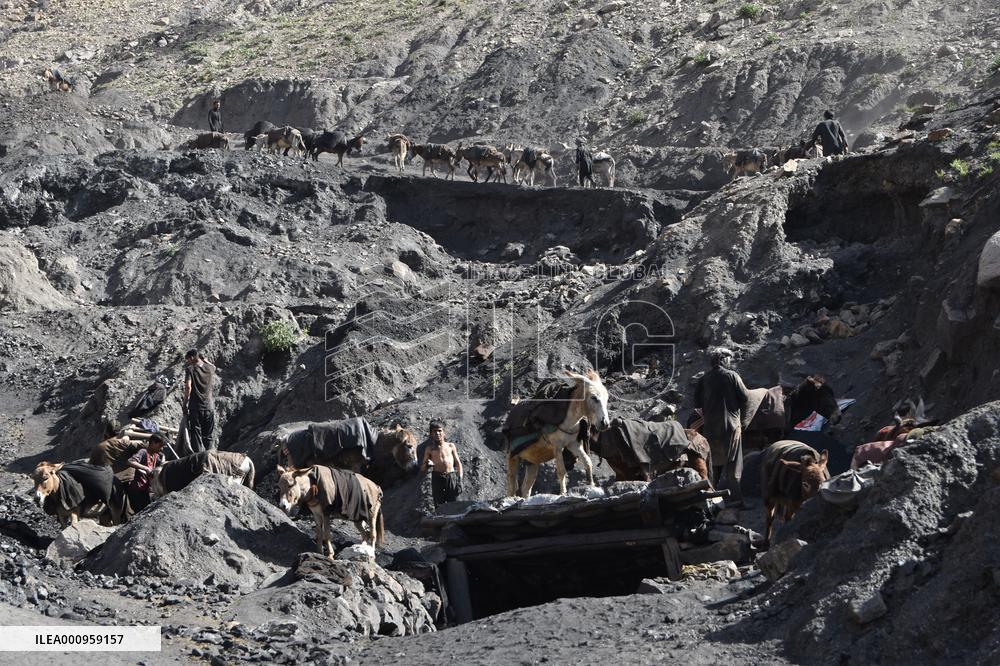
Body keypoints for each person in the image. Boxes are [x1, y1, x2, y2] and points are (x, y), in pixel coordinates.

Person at [693, 349, 750, 506]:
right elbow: (745, 397)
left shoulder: (703, 379)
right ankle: (737, 500)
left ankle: (710, 499)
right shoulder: (732, 376)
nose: (731, 362)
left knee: (713, 464)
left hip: (710, 429)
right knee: (733, 463)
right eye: (729, 359)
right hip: (731, 427)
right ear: (723, 359)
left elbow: (697, 406)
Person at [419, 420, 464, 507]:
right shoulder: (429, 449)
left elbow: (458, 464)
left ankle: (454, 520)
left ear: (444, 432)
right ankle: (442, 520)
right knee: (439, 505)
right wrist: (427, 464)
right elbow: (422, 468)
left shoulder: (451, 446)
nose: (437, 433)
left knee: (454, 504)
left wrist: (460, 480)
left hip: (451, 477)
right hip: (437, 478)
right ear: (431, 434)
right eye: (434, 431)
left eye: (440, 431)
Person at [183, 348, 217, 452]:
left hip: (195, 408)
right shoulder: (210, 368)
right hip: (209, 407)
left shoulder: (190, 369)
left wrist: (184, 404)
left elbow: (188, 387)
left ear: (192, 357)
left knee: (196, 435)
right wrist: (205, 360)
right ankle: (209, 456)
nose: (187, 362)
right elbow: (214, 367)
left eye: (188, 359)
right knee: (208, 435)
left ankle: (198, 459)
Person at [126, 432, 165, 513]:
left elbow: (161, 464)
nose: (161, 449)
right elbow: (130, 461)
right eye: (160, 446)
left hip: (146, 490)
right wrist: (146, 468)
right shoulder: (143, 452)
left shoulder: (155, 455)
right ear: (153, 443)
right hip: (137, 489)